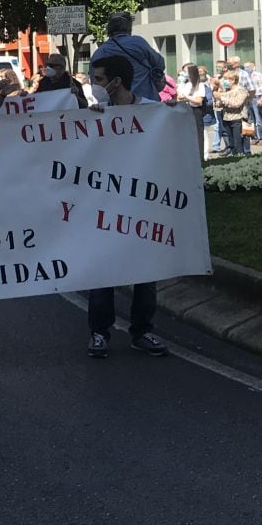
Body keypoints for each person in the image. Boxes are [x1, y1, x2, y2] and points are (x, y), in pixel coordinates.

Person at [85, 55, 168, 358]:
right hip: (104, 208)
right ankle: (99, 332)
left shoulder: (152, 112)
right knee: (102, 273)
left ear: (116, 82)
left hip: (143, 207)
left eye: (98, 79)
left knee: (145, 274)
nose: (94, 86)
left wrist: (174, 118)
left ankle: (142, 331)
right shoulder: (97, 115)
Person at [89, 11, 165, 101]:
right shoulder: (138, 43)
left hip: (115, 106)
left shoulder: (100, 51)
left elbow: (95, 82)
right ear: (129, 27)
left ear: (109, 28)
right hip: (145, 101)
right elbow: (160, 63)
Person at [176, 63, 212, 160]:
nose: (185, 74)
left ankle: (200, 156)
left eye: (187, 72)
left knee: (198, 134)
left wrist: (187, 97)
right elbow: (180, 97)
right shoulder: (187, 85)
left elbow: (198, 100)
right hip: (186, 110)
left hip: (196, 110)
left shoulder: (200, 85)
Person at [214, 70, 250, 157]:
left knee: (238, 142)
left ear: (233, 80)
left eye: (226, 79)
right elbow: (219, 105)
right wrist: (218, 98)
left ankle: (241, 157)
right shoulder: (226, 91)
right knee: (231, 143)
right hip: (227, 118)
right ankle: (234, 157)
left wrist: (222, 98)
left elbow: (236, 104)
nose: (224, 82)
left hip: (238, 119)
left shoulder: (241, 90)